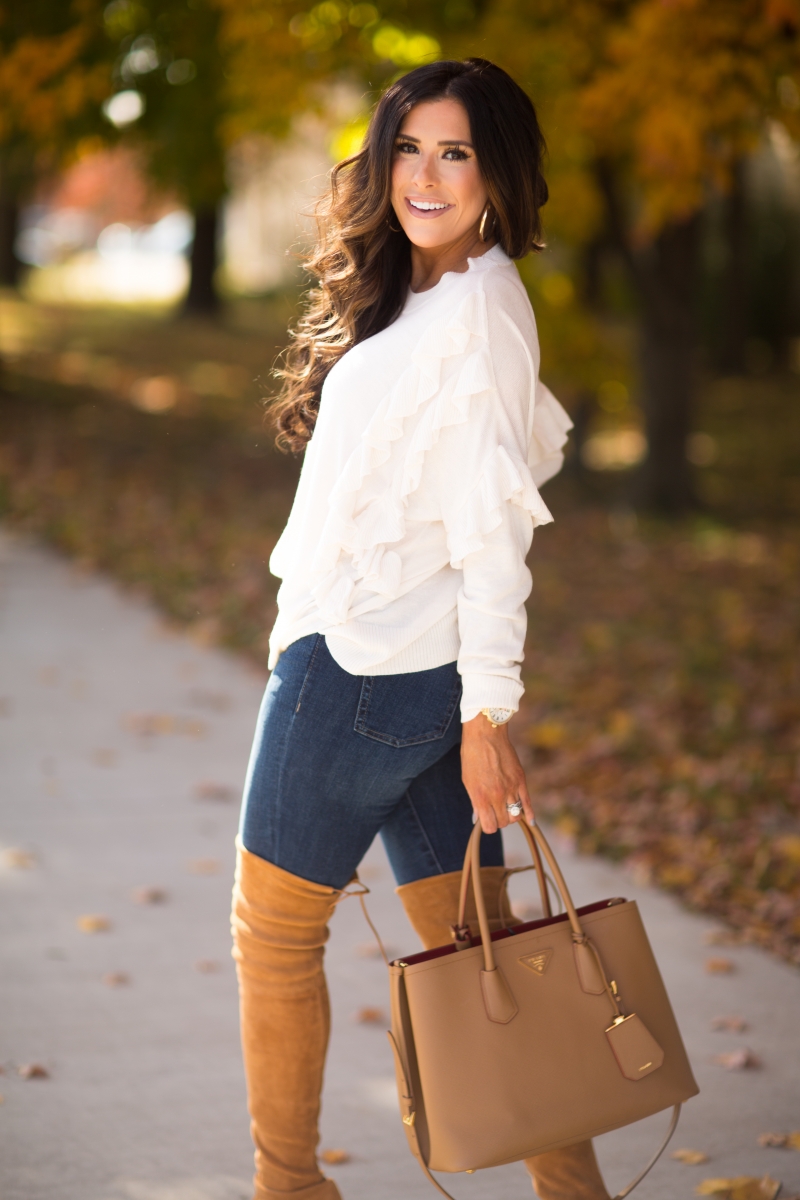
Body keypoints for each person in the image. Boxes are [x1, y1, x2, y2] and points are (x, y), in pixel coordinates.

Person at [231, 57, 609, 1200]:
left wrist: (490, 706)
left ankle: (287, 1187)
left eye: (455, 151)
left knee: (275, 939)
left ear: (497, 173)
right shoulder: (440, 294)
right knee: (482, 952)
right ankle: (570, 1192)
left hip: (359, 675)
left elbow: (496, 525)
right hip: (412, 678)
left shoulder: (478, 311)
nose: (426, 175)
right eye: (408, 147)